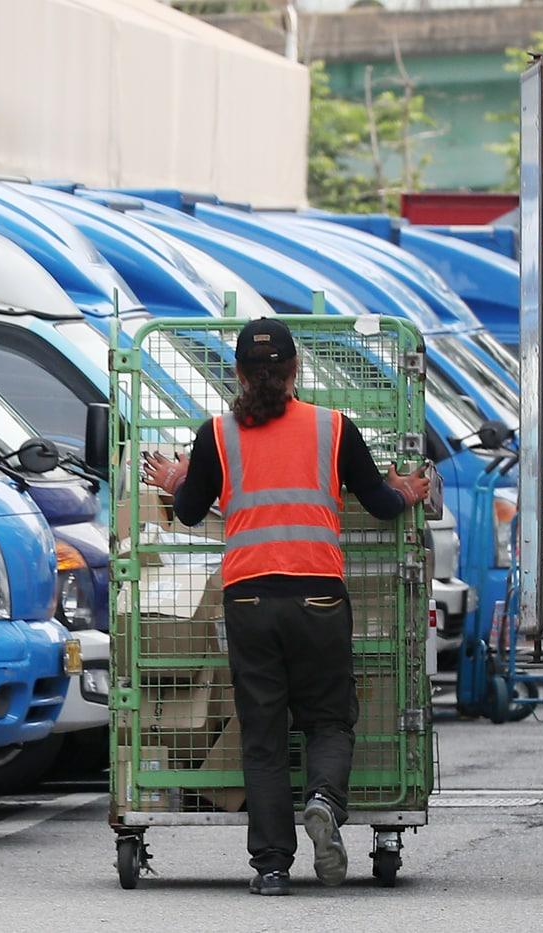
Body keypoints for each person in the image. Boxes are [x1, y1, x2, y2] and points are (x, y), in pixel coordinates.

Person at [143, 318, 430, 896]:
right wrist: (408, 490)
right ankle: (324, 799)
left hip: (249, 598)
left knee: (264, 734)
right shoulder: (332, 428)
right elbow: (378, 503)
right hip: (319, 595)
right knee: (328, 718)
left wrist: (179, 480)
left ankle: (272, 865)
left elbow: (194, 511)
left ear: (239, 375)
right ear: (297, 370)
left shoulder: (217, 435)